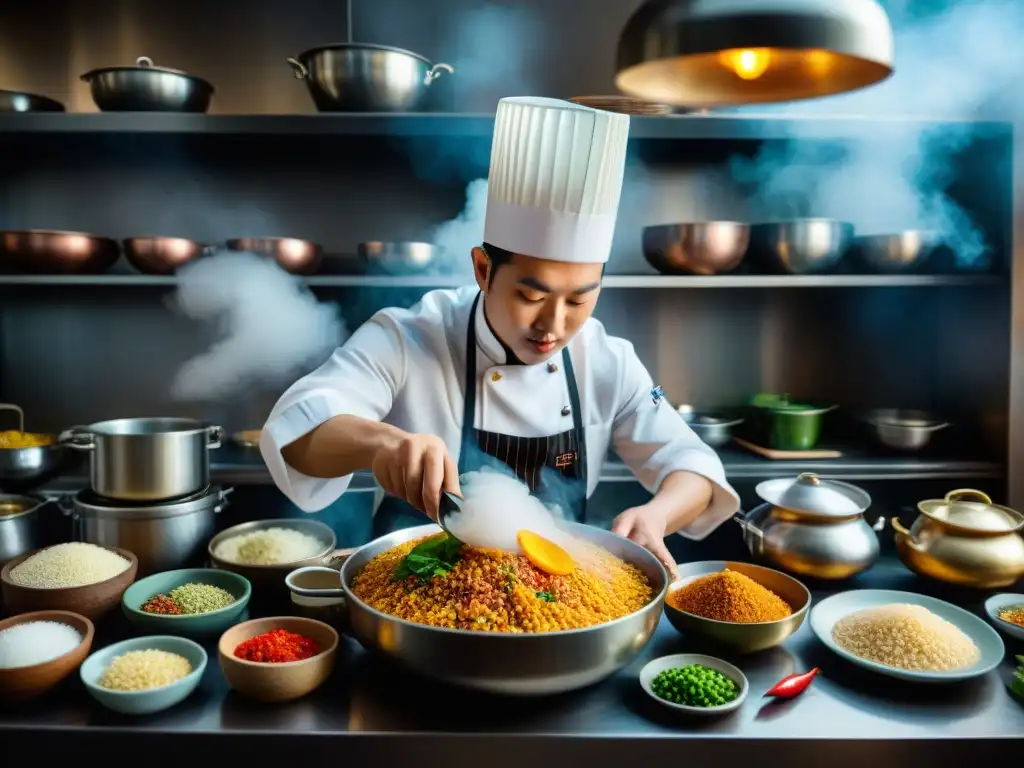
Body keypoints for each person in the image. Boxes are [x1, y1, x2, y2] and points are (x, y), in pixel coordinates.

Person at [260, 96, 739, 575]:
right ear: (483, 269)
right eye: (531, 297)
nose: (553, 326)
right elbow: (299, 430)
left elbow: (693, 466)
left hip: (559, 601)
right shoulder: (408, 336)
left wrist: (656, 517)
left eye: (578, 300)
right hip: (417, 595)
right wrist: (381, 443)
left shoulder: (606, 359)